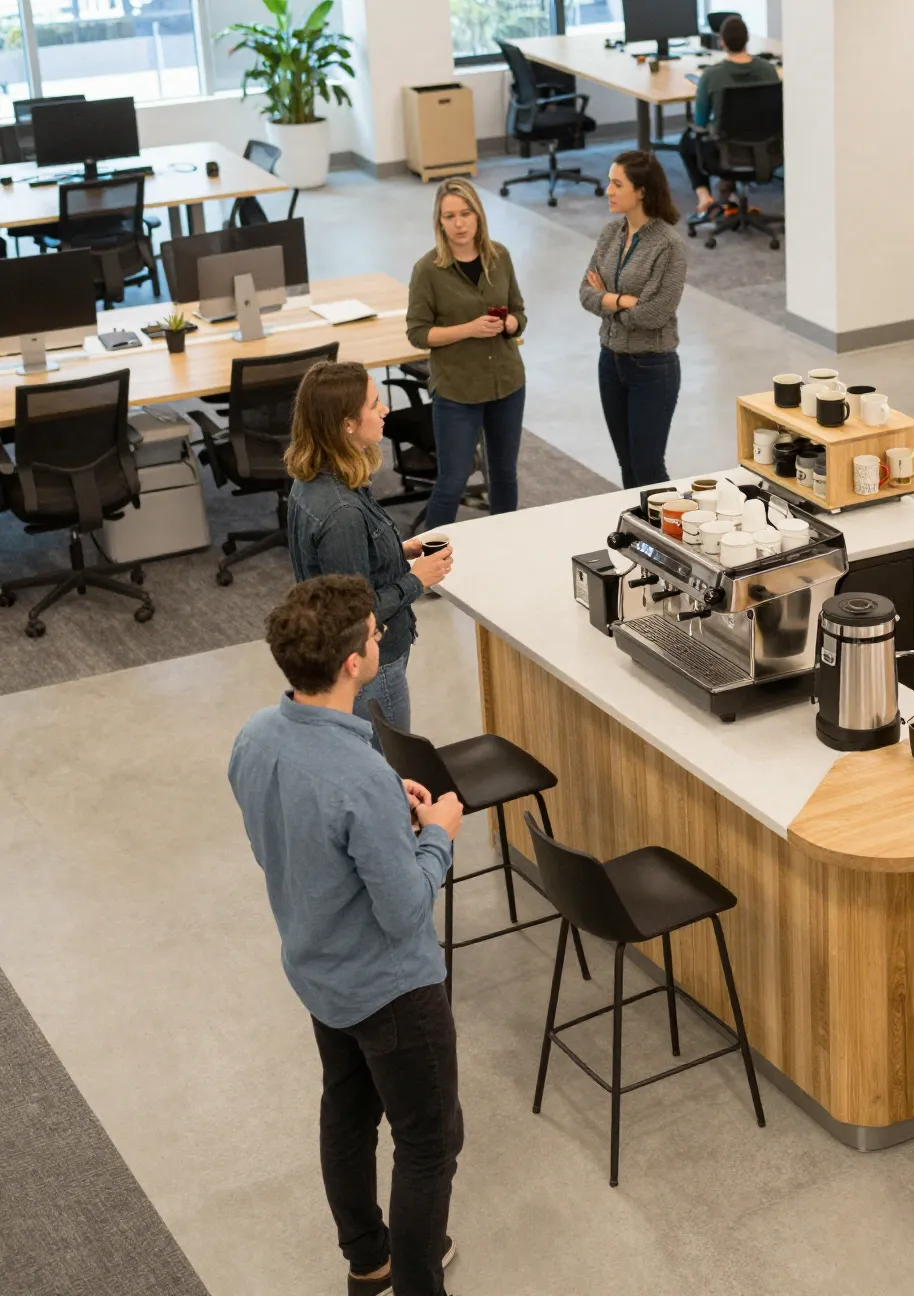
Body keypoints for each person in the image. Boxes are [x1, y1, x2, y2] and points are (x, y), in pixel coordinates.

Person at [229, 575, 468, 1296]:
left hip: (318, 971)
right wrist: (439, 836)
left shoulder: (255, 738)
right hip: (392, 990)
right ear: (353, 664)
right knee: (430, 1142)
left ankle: (369, 1260)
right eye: (372, 633)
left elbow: (298, 832)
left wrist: (384, 808)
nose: (380, 635)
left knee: (348, 1106)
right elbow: (403, 911)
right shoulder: (359, 778)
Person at [286, 360, 453, 736]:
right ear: (347, 423)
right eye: (374, 403)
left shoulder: (316, 478)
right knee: (390, 770)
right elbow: (353, 613)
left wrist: (396, 550)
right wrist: (417, 580)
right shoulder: (342, 510)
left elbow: (340, 574)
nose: (385, 410)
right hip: (373, 663)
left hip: (348, 659)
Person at [405, 177, 527, 530]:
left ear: (478, 216)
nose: (459, 223)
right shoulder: (427, 270)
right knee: (452, 480)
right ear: (439, 222)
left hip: (507, 382)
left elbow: (519, 312)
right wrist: (468, 329)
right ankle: (428, 564)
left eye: (465, 213)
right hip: (457, 390)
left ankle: (503, 543)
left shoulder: (499, 256)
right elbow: (417, 333)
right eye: (449, 216)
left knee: (504, 475)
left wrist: (510, 325)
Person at [580, 150, 688, 488]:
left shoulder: (668, 245)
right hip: (610, 363)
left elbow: (655, 314)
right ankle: (640, 541)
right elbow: (586, 293)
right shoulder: (611, 233)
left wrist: (607, 300)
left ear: (641, 190)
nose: (608, 191)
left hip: (652, 368)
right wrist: (624, 300)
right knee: (628, 468)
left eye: (616, 184)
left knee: (649, 470)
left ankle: (670, 539)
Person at [678, 14, 778, 217]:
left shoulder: (712, 76)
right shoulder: (769, 71)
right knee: (734, 133)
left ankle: (704, 195)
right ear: (747, 40)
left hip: (726, 156)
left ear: (721, 42)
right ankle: (728, 192)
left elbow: (700, 122)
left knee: (687, 140)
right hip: (766, 154)